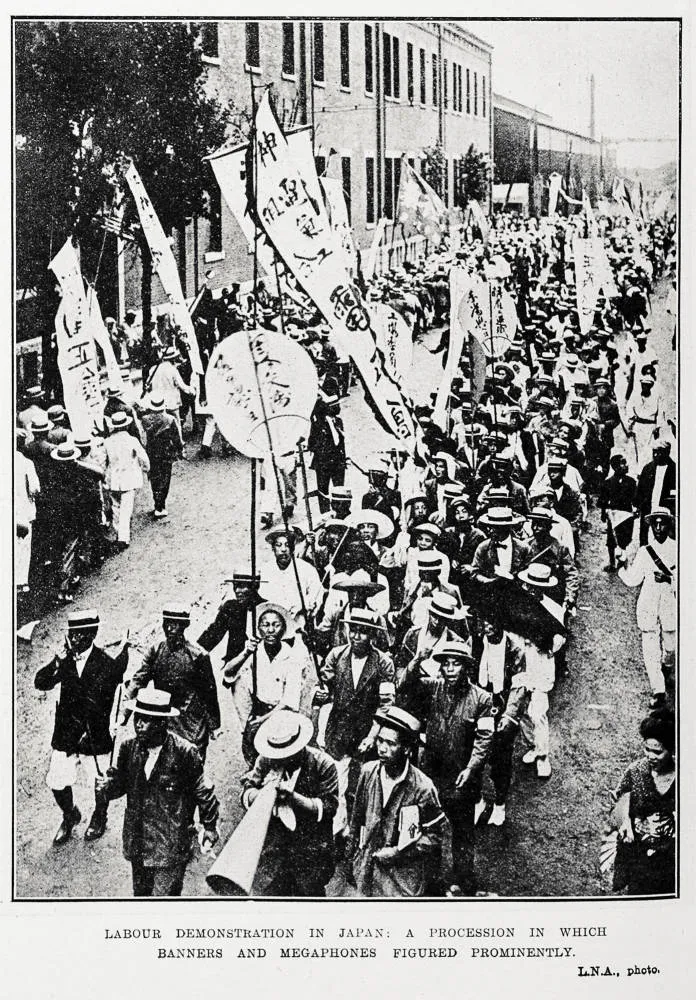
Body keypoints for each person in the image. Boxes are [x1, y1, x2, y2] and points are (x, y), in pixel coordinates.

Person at [95, 685, 219, 896]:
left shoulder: (185, 752)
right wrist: (107, 788)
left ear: (162, 723)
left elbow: (203, 791)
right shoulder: (128, 748)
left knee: (164, 899)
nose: (139, 725)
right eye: (137, 718)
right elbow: (121, 785)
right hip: (138, 839)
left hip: (170, 843)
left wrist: (210, 825)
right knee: (141, 894)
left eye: (146, 720)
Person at [397, 640, 495, 895]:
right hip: (432, 775)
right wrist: (417, 659)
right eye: (446, 664)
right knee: (430, 830)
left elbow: (485, 738)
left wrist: (472, 768)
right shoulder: (432, 688)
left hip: (463, 779)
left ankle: (465, 881)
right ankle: (431, 882)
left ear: (467, 668)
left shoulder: (482, 699)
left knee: (463, 834)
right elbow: (405, 685)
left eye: (457, 664)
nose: (451, 670)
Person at [34, 610, 129, 844]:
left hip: (93, 737)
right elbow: (41, 683)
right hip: (66, 735)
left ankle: (100, 816)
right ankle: (70, 815)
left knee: (101, 783)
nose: (74, 639)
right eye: (71, 633)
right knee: (56, 781)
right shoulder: (64, 660)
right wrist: (56, 661)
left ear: (92, 634)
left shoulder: (105, 663)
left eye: (80, 634)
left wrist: (93, 732)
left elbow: (107, 705)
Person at [349, 706, 445, 897]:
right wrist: (355, 857)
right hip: (367, 873)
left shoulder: (423, 787)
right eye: (380, 741)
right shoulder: (368, 772)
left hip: (402, 882)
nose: (382, 749)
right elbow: (357, 818)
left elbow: (434, 836)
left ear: (407, 749)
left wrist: (399, 853)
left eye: (391, 744)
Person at [239, 710, 338, 896]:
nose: (280, 759)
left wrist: (294, 798)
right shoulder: (266, 759)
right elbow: (246, 794)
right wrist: (263, 795)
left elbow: (329, 808)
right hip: (274, 854)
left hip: (310, 854)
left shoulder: (324, 765)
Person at [317, 608, 395, 836]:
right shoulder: (336, 655)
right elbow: (325, 688)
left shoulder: (383, 663)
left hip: (367, 733)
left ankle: (366, 834)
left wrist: (373, 736)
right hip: (339, 731)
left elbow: (386, 705)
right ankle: (338, 831)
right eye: (353, 631)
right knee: (337, 784)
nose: (356, 637)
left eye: (363, 632)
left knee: (368, 786)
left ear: (372, 635)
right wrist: (321, 693)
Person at [124, 605, 220, 764]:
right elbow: (138, 680)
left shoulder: (198, 655)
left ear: (185, 626)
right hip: (163, 718)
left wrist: (214, 725)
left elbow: (209, 692)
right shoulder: (156, 650)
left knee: (192, 766)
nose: (169, 628)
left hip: (191, 722)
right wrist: (124, 713)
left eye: (175, 624)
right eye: (166, 623)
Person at [223, 603, 305, 765]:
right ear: (258, 629)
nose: (270, 630)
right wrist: (246, 652)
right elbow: (229, 674)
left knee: (278, 760)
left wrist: (260, 721)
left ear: (283, 629)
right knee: (254, 761)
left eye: (276, 625)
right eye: (265, 625)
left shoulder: (291, 658)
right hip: (257, 710)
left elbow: (289, 702)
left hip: (280, 714)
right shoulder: (255, 652)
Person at [610, 710, 675, 896]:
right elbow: (621, 798)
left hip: (672, 859)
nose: (650, 756)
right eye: (647, 750)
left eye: (658, 752)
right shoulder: (636, 771)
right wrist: (625, 823)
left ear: (672, 750)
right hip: (639, 856)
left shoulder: (685, 776)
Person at [617, 508, 676, 708]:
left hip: (670, 603)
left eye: (663, 524)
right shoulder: (644, 552)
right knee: (650, 646)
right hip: (649, 603)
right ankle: (658, 690)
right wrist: (623, 565)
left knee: (670, 647)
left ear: (669, 526)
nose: (659, 528)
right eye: (655, 524)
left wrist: (669, 578)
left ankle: (667, 666)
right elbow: (633, 579)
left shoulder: (678, 550)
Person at [473, 617, 528, 826]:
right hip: (479, 705)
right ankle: (478, 800)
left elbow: (519, 687)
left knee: (500, 761)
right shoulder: (477, 643)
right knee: (474, 756)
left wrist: (509, 716)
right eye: (484, 622)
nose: (487, 626)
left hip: (501, 709)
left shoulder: (515, 650)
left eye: (492, 622)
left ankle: (499, 804)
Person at [198, 569, 267, 666]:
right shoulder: (230, 608)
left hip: (260, 665)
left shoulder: (267, 608)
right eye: (235, 586)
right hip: (234, 666)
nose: (237, 591)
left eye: (242, 586)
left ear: (255, 587)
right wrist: (195, 652)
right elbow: (213, 634)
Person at [103, 411, 150, 550]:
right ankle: (123, 538)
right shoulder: (131, 440)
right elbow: (143, 456)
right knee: (126, 508)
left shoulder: (107, 442)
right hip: (129, 477)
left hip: (113, 478)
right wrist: (147, 468)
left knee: (116, 507)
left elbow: (104, 461)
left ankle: (118, 534)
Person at [141, 393, 183, 518]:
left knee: (154, 478)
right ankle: (161, 505)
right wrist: (179, 450)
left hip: (151, 452)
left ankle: (156, 503)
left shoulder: (145, 419)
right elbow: (176, 438)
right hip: (166, 452)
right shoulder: (170, 419)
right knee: (165, 478)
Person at [15, 430, 40, 593]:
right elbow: (35, 489)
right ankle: (21, 581)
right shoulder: (26, 463)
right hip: (24, 510)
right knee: (23, 547)